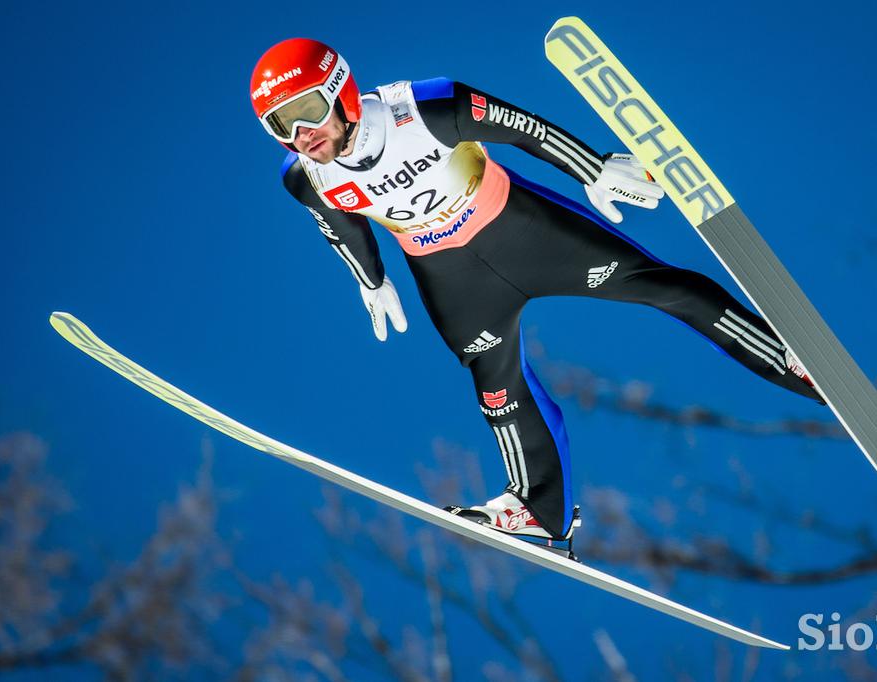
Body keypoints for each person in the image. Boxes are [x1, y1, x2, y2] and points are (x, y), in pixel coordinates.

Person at [250, 37, 821, 546]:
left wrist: (592, 169)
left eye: (306, 111)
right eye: (280, 124)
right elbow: (341, 226)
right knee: (496, 391)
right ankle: (536, 507)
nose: (301, 134)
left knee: (663, 288)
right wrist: (371, 282)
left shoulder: (423, 108)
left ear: (341, 92)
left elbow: (523, 128)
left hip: (527, 232)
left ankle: (790, 361)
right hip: (454, 281)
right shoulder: (305, 177)